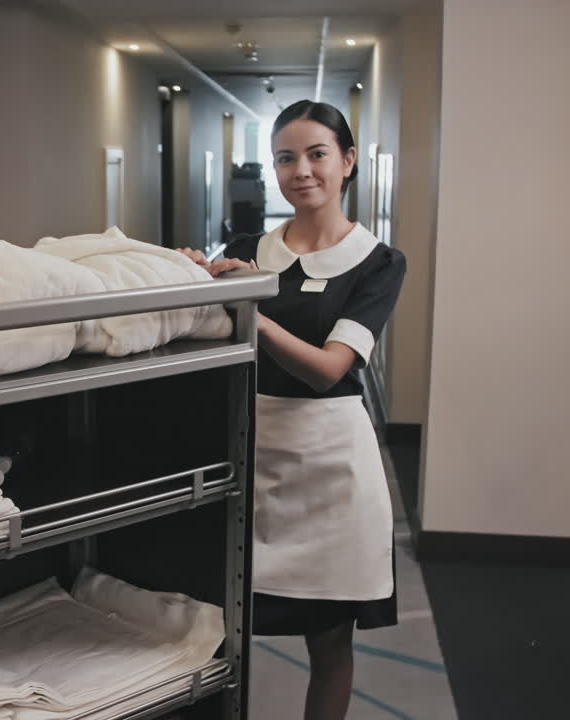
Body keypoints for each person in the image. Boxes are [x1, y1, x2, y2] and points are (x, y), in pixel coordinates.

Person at [180, 99, 406, 720]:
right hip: (251, 450)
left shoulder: (379, 263)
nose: (301, 170)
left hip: (332, 466)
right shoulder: (249, 247)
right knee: (222, 623)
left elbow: (330, 368)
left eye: (317, 154)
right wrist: (201, 283)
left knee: (330, 641)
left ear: (348, 162)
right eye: (286, 158)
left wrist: (248, 303)